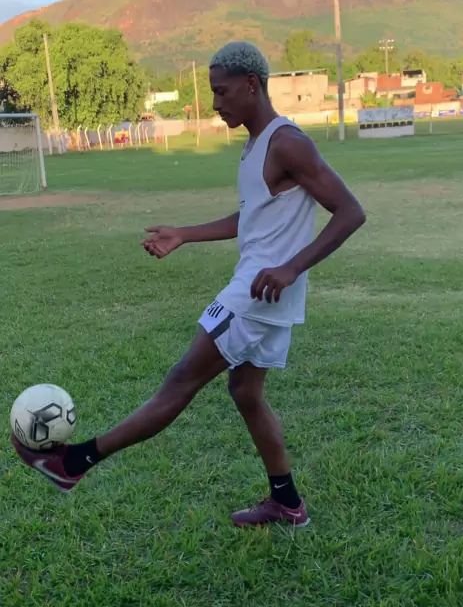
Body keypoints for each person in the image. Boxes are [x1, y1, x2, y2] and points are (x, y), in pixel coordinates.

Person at [12, 42, 366, 527]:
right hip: (268, 294)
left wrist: (291, 267)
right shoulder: (256, 144)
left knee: (181, 380)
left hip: (256, 294)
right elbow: (252, 218)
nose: (215, 103)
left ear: (251, 85)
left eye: (221, 92)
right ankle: (287, 502)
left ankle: (73, 463)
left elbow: (350, 212)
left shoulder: (288, 142)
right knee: (245, 391)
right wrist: (184, 234)